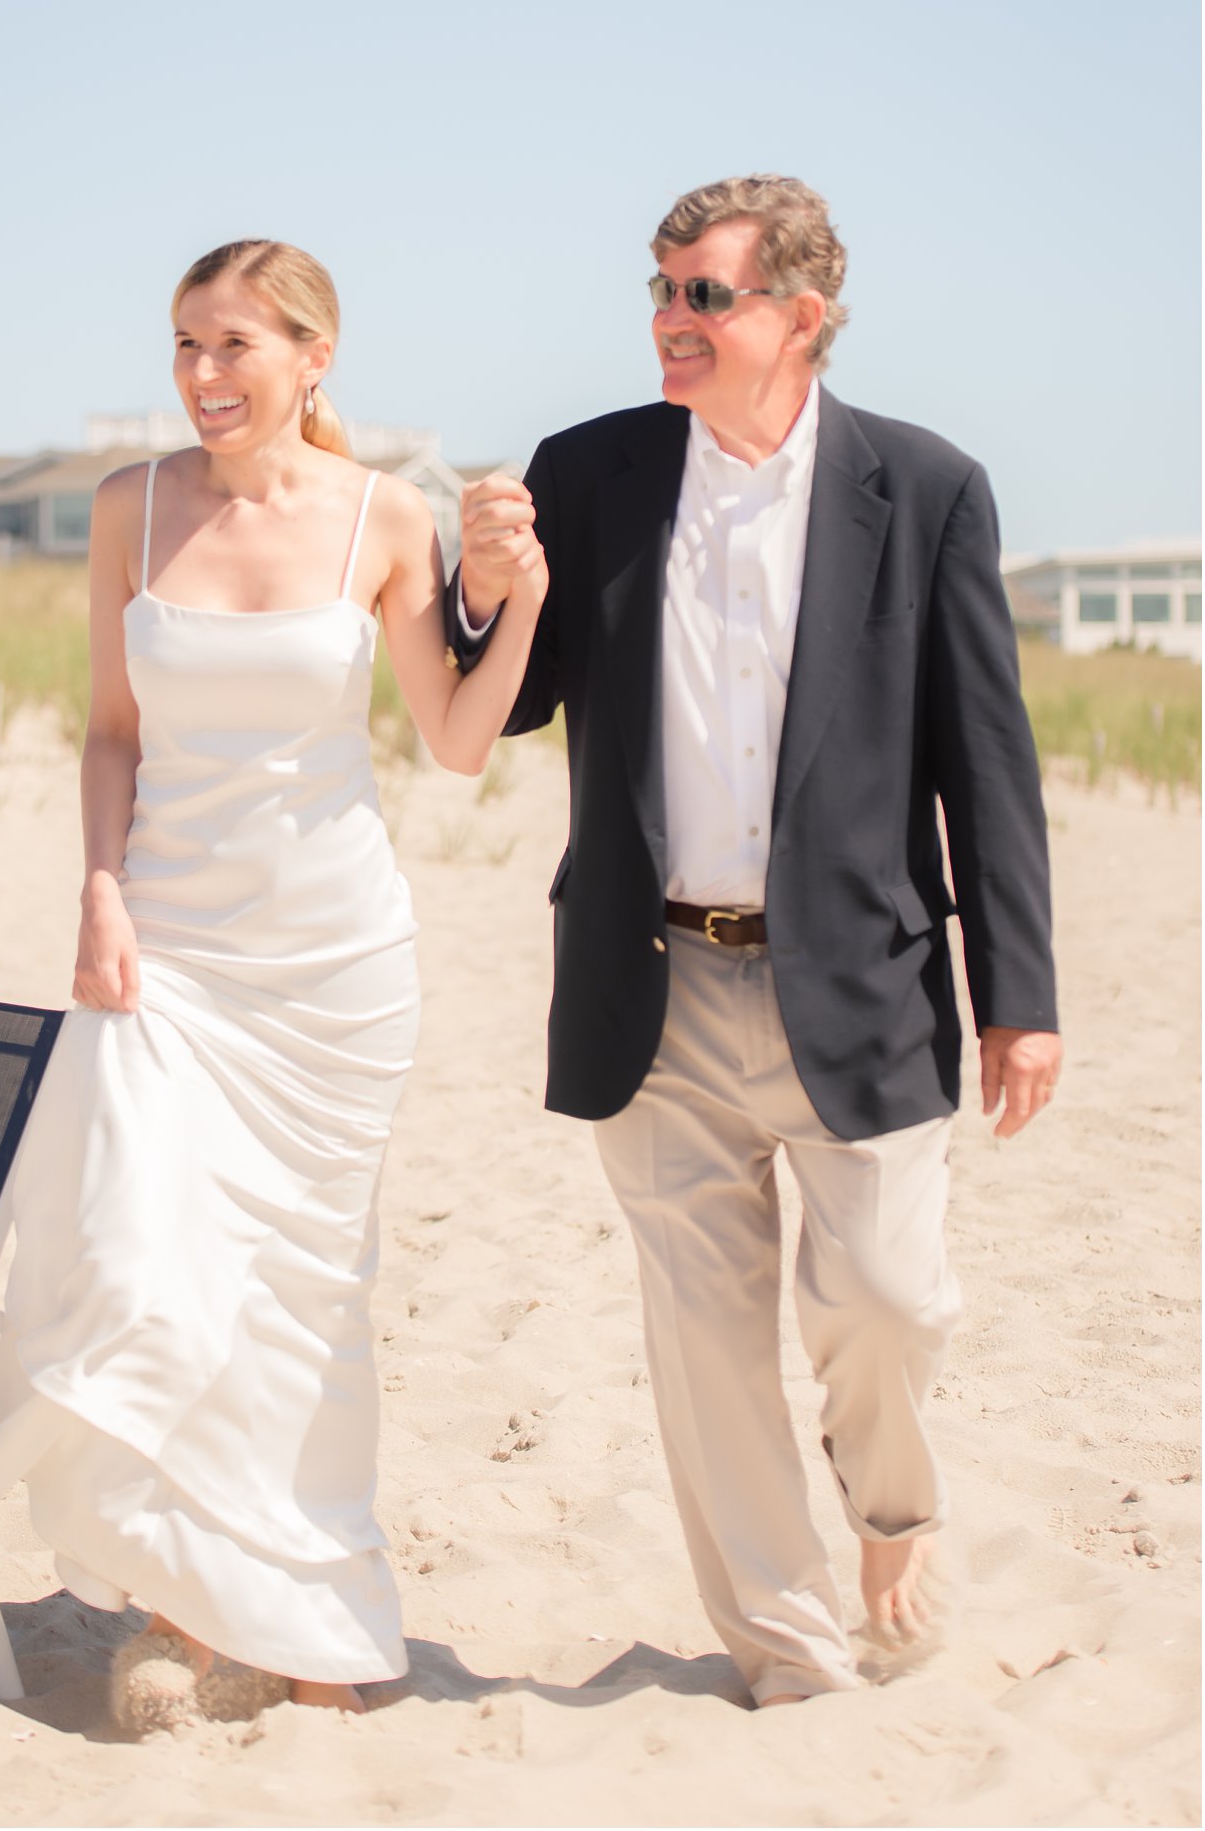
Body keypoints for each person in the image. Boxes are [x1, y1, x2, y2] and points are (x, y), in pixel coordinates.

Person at [448, 174, 1061, 1707]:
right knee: (708, 1356)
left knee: (890, 1299)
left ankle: (893, 1511)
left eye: (704, 295)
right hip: (647, 986)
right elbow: (510, 702)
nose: (671, 320)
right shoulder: (585, 474)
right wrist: (480, 590)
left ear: (803, 315)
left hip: (861, 987)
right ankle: (788, 1659)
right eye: (659, 291)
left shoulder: (923, 488)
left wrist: (1020, 997)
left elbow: (985, 758)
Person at [0, 239, 545, 1730]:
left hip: (336, 972)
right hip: (164, 957)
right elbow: (111, 731)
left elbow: (457, 740)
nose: (203, 376)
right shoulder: (128, 507)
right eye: (183, 346)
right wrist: (98, 891)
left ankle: (317, 1619)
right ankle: (181, 1603)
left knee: (306, 1302)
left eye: (234, 347)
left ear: (312, 358)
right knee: (147, 1274)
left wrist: (519, 601)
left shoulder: (386, 515)